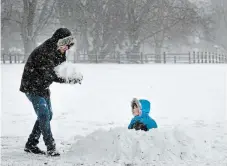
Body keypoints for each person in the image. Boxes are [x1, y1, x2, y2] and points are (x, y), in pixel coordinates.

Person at [19, 28, 83, 156]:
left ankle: (31, 144)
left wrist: (73, 75)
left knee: (48, 115)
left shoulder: (60, 51)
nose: (67, 49)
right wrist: (68, 80)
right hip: (32, 86)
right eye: (66, 46)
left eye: (69, 46)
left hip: (43, 87)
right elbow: (51, 75)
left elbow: (61, 70)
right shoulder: (45, 51)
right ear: (59, 41)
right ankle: (51, 146)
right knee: (44, 114)